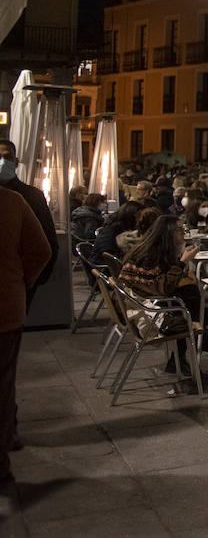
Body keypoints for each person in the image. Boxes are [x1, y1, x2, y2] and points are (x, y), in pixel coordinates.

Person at [119, 215, 208, 379]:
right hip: (146, 310)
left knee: (190, 293)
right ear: (166, 233)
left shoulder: (152, 250)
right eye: (179, 229)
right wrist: (183, 262)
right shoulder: (150, 256)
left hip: (145, 302)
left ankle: (198, 335)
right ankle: (203, 329)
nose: (183, 232)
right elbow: (162, 288)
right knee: (190, 302)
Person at [1, 186, 48, 486]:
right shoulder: (11, 202)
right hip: (5, 309)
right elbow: (41, 251)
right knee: (3, 384)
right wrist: (21, 284)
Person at [0, 140, 58, 311]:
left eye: (7, 156)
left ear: (16, 162)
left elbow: (47, 246)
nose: (3, 161)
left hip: (15, 288)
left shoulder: (32, 197)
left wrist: (27, 283)